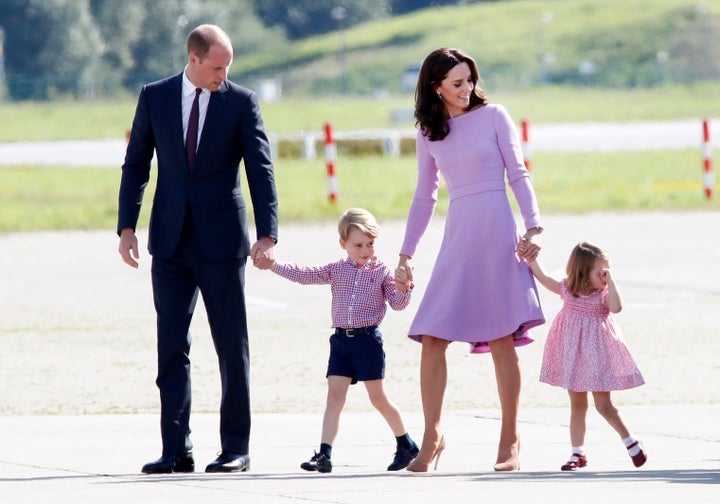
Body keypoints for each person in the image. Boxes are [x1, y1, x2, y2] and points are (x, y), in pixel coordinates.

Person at [117, 24, 278, 474]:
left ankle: (235, 449)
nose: (223, 75)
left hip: (223, 242)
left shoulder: (241, 102)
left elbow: (261, 169)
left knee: (231, 345)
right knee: (171, 346)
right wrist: (126, 227)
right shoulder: (156, 96)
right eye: (216, 66)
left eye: (228, 67)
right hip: (169, 241)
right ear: (193, 59)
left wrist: (268, 234)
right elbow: (136, 164)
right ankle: (175, 450)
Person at [395, 47, 545, 472]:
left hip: (497, 231)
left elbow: (518, 172)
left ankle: (510, 436)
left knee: (500, 337)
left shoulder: (495, 115)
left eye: (470, 81)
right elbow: (424, 196)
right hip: (458, 235)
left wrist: (533, 227)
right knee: (431, 336)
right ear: (435, 86)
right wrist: (405, 254)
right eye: (457, 83)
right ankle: (433, 434)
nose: (467, 89)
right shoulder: (429, 131)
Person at [255, 208, 419, 473]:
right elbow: (304, 275)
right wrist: (274, 265)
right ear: (343, 244)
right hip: (341, 342)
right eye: (358, 245)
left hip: (368, 342)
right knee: (334, 398)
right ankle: (324, 455)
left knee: (378, 398)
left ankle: (406, 443)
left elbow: (398, 305)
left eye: (370, 244)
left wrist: (404, 287)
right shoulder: (336, 270)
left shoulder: (382, 272)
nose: (366, 250)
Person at [524, 241, 647, 471]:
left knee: (603, 405)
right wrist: (531, 257)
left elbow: (617, 307)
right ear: (582, 271)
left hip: (597, 355)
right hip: (573, 355)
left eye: (606, 270)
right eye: (600, 271)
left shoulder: (603, 294)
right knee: (577, 403)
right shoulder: (568, 288)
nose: (604, 275)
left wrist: (611, 282)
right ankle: (577, 453)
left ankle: (631, 441)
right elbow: (543, 277)